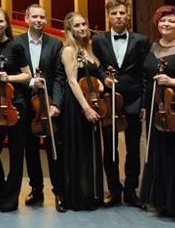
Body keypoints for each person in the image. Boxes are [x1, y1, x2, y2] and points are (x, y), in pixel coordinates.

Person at [93, 0, 150, 208]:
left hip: (134, 100)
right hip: (109, 101)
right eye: (114, 13)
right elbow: (95, 67)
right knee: (110, 147)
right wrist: (103, 79)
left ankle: (131, 191)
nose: (118, 17)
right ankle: (114, 190)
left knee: (134, 148)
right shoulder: (98, 40)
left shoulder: (141, 40)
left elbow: (145, 73)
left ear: (128, 15)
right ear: (108, 16)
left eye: (122, 13)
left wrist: (144, 103)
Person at [139, 5, 175, 219]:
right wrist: (145, 105)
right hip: (156, 106)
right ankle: (162, 200)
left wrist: (171, 81)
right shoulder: (154, 46)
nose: (166, 24)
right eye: (162, 20)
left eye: (171, 21)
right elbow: (146, 78)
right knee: (158, 152)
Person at [14, 4, 67, 212]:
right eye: (34, 16)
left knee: (54, 149)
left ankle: (59, 191)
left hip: (48, 102)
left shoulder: (55, 43)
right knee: (31, 149)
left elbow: (60, 77)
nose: (39, 20)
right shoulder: (16, 43)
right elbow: (13, 72)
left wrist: (56, 103)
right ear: (26, 18)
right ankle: (36, 190)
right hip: (25, 102)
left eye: (42, 17)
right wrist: (29, 84)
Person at [0, 7, 31, 212]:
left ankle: (10, 199)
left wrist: (8, 78)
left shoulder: (16, 47)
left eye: (0, 21)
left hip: (15, 104)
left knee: (15, 152)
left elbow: (27, 76)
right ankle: (1, 192)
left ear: (7, 23)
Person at [58, 11, 104, 211]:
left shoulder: (90, 48)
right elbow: (71, 81)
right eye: (77, 25)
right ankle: (76, 197)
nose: (82, 28)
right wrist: (85, 108)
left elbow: (94, 74)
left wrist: (101, 82)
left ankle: (90, 194)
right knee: (77, 148)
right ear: (69, 30)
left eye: (84, 24)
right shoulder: (69, 50)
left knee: (90, 149)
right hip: (76, 106)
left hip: (90, 101)